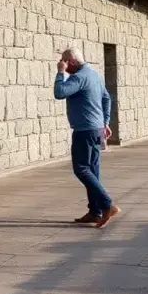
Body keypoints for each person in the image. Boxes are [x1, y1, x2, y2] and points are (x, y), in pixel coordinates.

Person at [54, 48, 121, 228]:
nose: (62, 63)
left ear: (71, 62)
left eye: (64, 61)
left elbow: (60, 92)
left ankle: (107, 205)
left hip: (84, 131)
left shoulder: (78, 77)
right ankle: (95, 212)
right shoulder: (94, 74)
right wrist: (105, 122)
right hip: (96, 130)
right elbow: (106, 98)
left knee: (81, 169)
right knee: (92, 170)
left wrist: (60, 73)